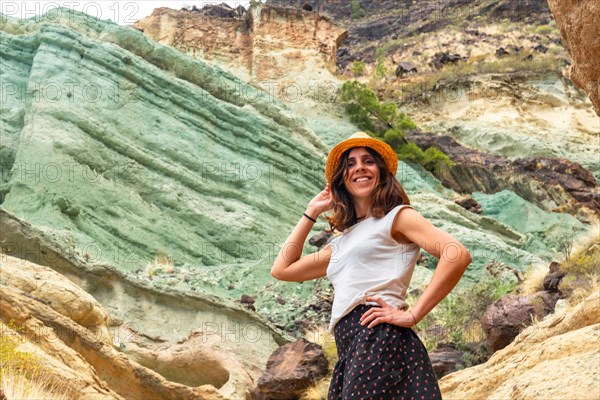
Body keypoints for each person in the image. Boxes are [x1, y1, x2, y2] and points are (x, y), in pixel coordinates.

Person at [271, 131, 472, 399]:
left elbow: (456, 254)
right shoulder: (342, 243)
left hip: (378, 337)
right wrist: (311, 212)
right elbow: (282, 269)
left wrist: (413, 315)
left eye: (368, 161)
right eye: (350, 164)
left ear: (381, 171)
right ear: (342, 177)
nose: (359, 168)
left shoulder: (397, 217)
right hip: (351, 350)